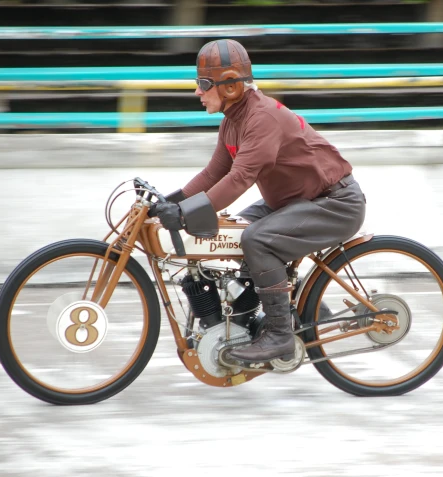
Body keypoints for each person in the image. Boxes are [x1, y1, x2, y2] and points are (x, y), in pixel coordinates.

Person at [150, 39, 366, 364]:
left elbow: (239, 180)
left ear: (232, 86)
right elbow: (212, 176)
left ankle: (279, 336)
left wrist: (182, 213)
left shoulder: (261, 119)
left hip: (334, 203)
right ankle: (278, 313)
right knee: (236, 230)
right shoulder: (231, 122)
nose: (197, 92)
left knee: (257, 240)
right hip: (294, 202)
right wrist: (166, 204)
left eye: (203, 84)